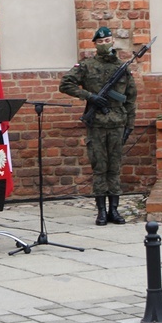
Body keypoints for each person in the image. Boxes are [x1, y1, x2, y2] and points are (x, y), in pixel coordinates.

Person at [59, 27, 137, 226]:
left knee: (115, 168)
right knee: (100, 168)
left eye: (108, 40)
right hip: (97, 125)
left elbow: (130, 98)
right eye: (100, 42)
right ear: (95, 44)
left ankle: (114, 210)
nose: (105, 44)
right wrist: (90, 96)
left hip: (118, 123)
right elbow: (66, 84)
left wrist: (130, 125)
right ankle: (101, 211)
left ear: (113, 42)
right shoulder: (86, 66)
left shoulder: (122, 67)